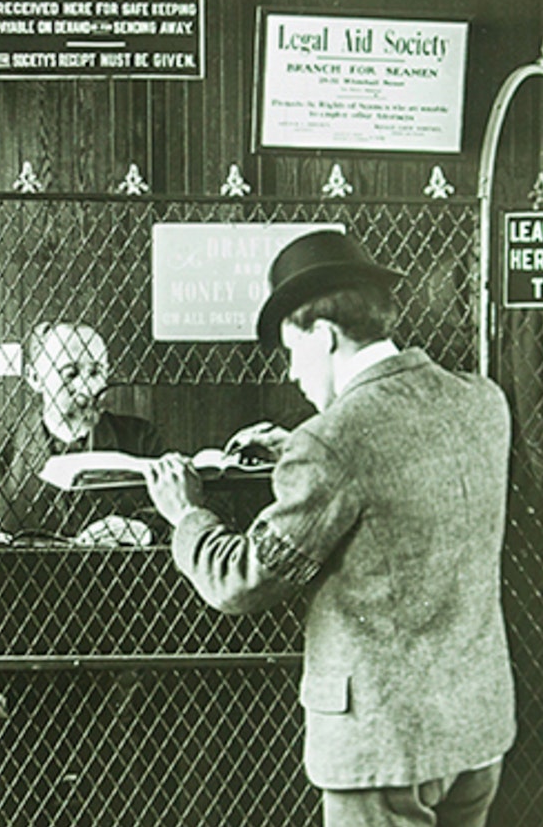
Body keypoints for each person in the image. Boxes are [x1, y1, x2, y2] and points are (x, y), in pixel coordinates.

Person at [145, 230, 516, 827]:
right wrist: (299, 447)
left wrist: (186, 515)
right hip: (474, 731)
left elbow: (240, 581)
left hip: (383, 746)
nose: (291, 374)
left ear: (324, 335)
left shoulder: (331, 442)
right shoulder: (481, 402)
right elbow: (408, 467)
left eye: (292, 352)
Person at [0, 321, 165, 544]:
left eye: (96, 372)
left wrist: (140, 531)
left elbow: (175, 515)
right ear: (34, 378)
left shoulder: (140, 439)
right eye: (70, 374)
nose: (88, 388)